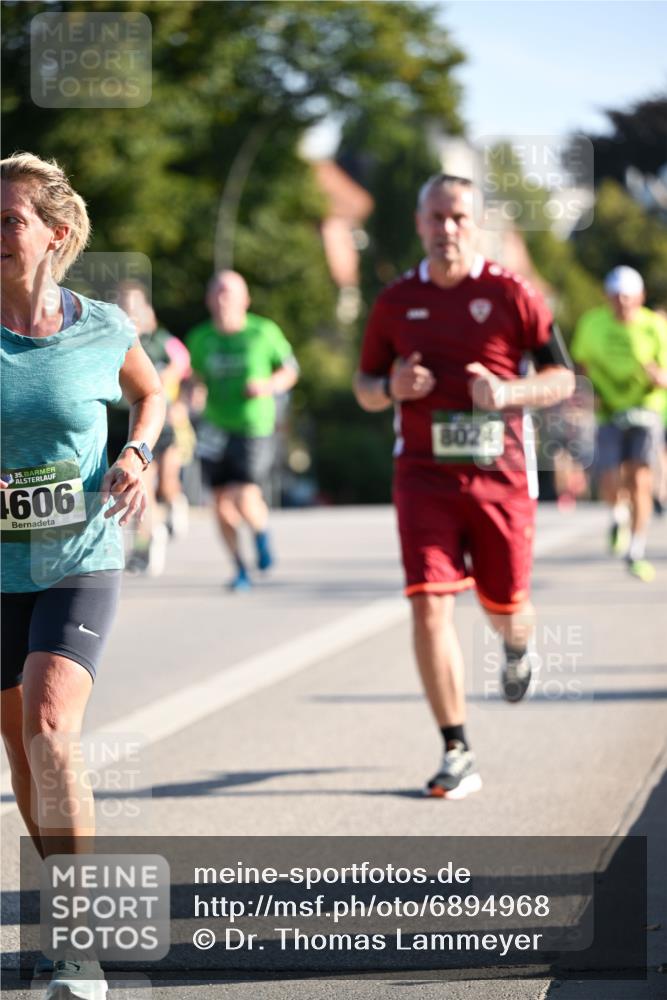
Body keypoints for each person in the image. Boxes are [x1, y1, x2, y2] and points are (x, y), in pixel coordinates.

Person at [1, 153, 165, 998]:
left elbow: (152, 393)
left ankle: (78, 938)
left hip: (80, 552)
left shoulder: (102, 326)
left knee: (51, 725)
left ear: (55, 236)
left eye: (8, 221)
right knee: (25, 760)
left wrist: (137, 451)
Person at [354, 174, 575, 799]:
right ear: (420, 224)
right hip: (423, 476)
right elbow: (364, 386)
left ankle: (517, 646)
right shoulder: (395, 301)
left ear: (476, 223)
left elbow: (561, 377)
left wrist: (508, 392)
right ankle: (457, 748)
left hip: (500, 479)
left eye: (458, 217)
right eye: (435, 218)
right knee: (428, 602)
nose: (446, 229)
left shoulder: (511, 292)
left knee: (506, 606)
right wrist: (390, 389)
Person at [187, 270, 298, 590]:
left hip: (254, 426)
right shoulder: (200, 337)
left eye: (230, 293)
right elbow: (195, 379)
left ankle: (262, 533)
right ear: (209, 300)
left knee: (243, 493)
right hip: (214, 428)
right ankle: (239, 568)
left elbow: (290, 370)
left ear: (245, 299)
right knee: (219, 503)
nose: (224, 299)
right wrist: (193, 394)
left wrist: (267, 386)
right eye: (218, 293)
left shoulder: (263, 332)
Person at [571, 266, 667, 582]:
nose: (622, 303)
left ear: (641, 297)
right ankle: (617, 515)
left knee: (640, 480)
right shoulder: (592, 323)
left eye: (628, 297)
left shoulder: (655, 327)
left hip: (645, 410)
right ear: (607, 298)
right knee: (609, 479)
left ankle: (636, 550)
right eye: (616, 297)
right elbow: (580, 364)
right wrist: (587, 391)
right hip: (607, 411)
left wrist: (658, 378)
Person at [110, 280, 192, 574]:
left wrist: (171, 387)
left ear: (146, 310)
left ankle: (148, 543)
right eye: (122, 304)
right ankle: (144, 540)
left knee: (149, 484)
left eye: (133, 306)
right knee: (126, 489)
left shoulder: (160, 342)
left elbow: (184, 366)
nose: (128, 311)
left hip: (153, 423)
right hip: (117, 423)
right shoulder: (109, 338)